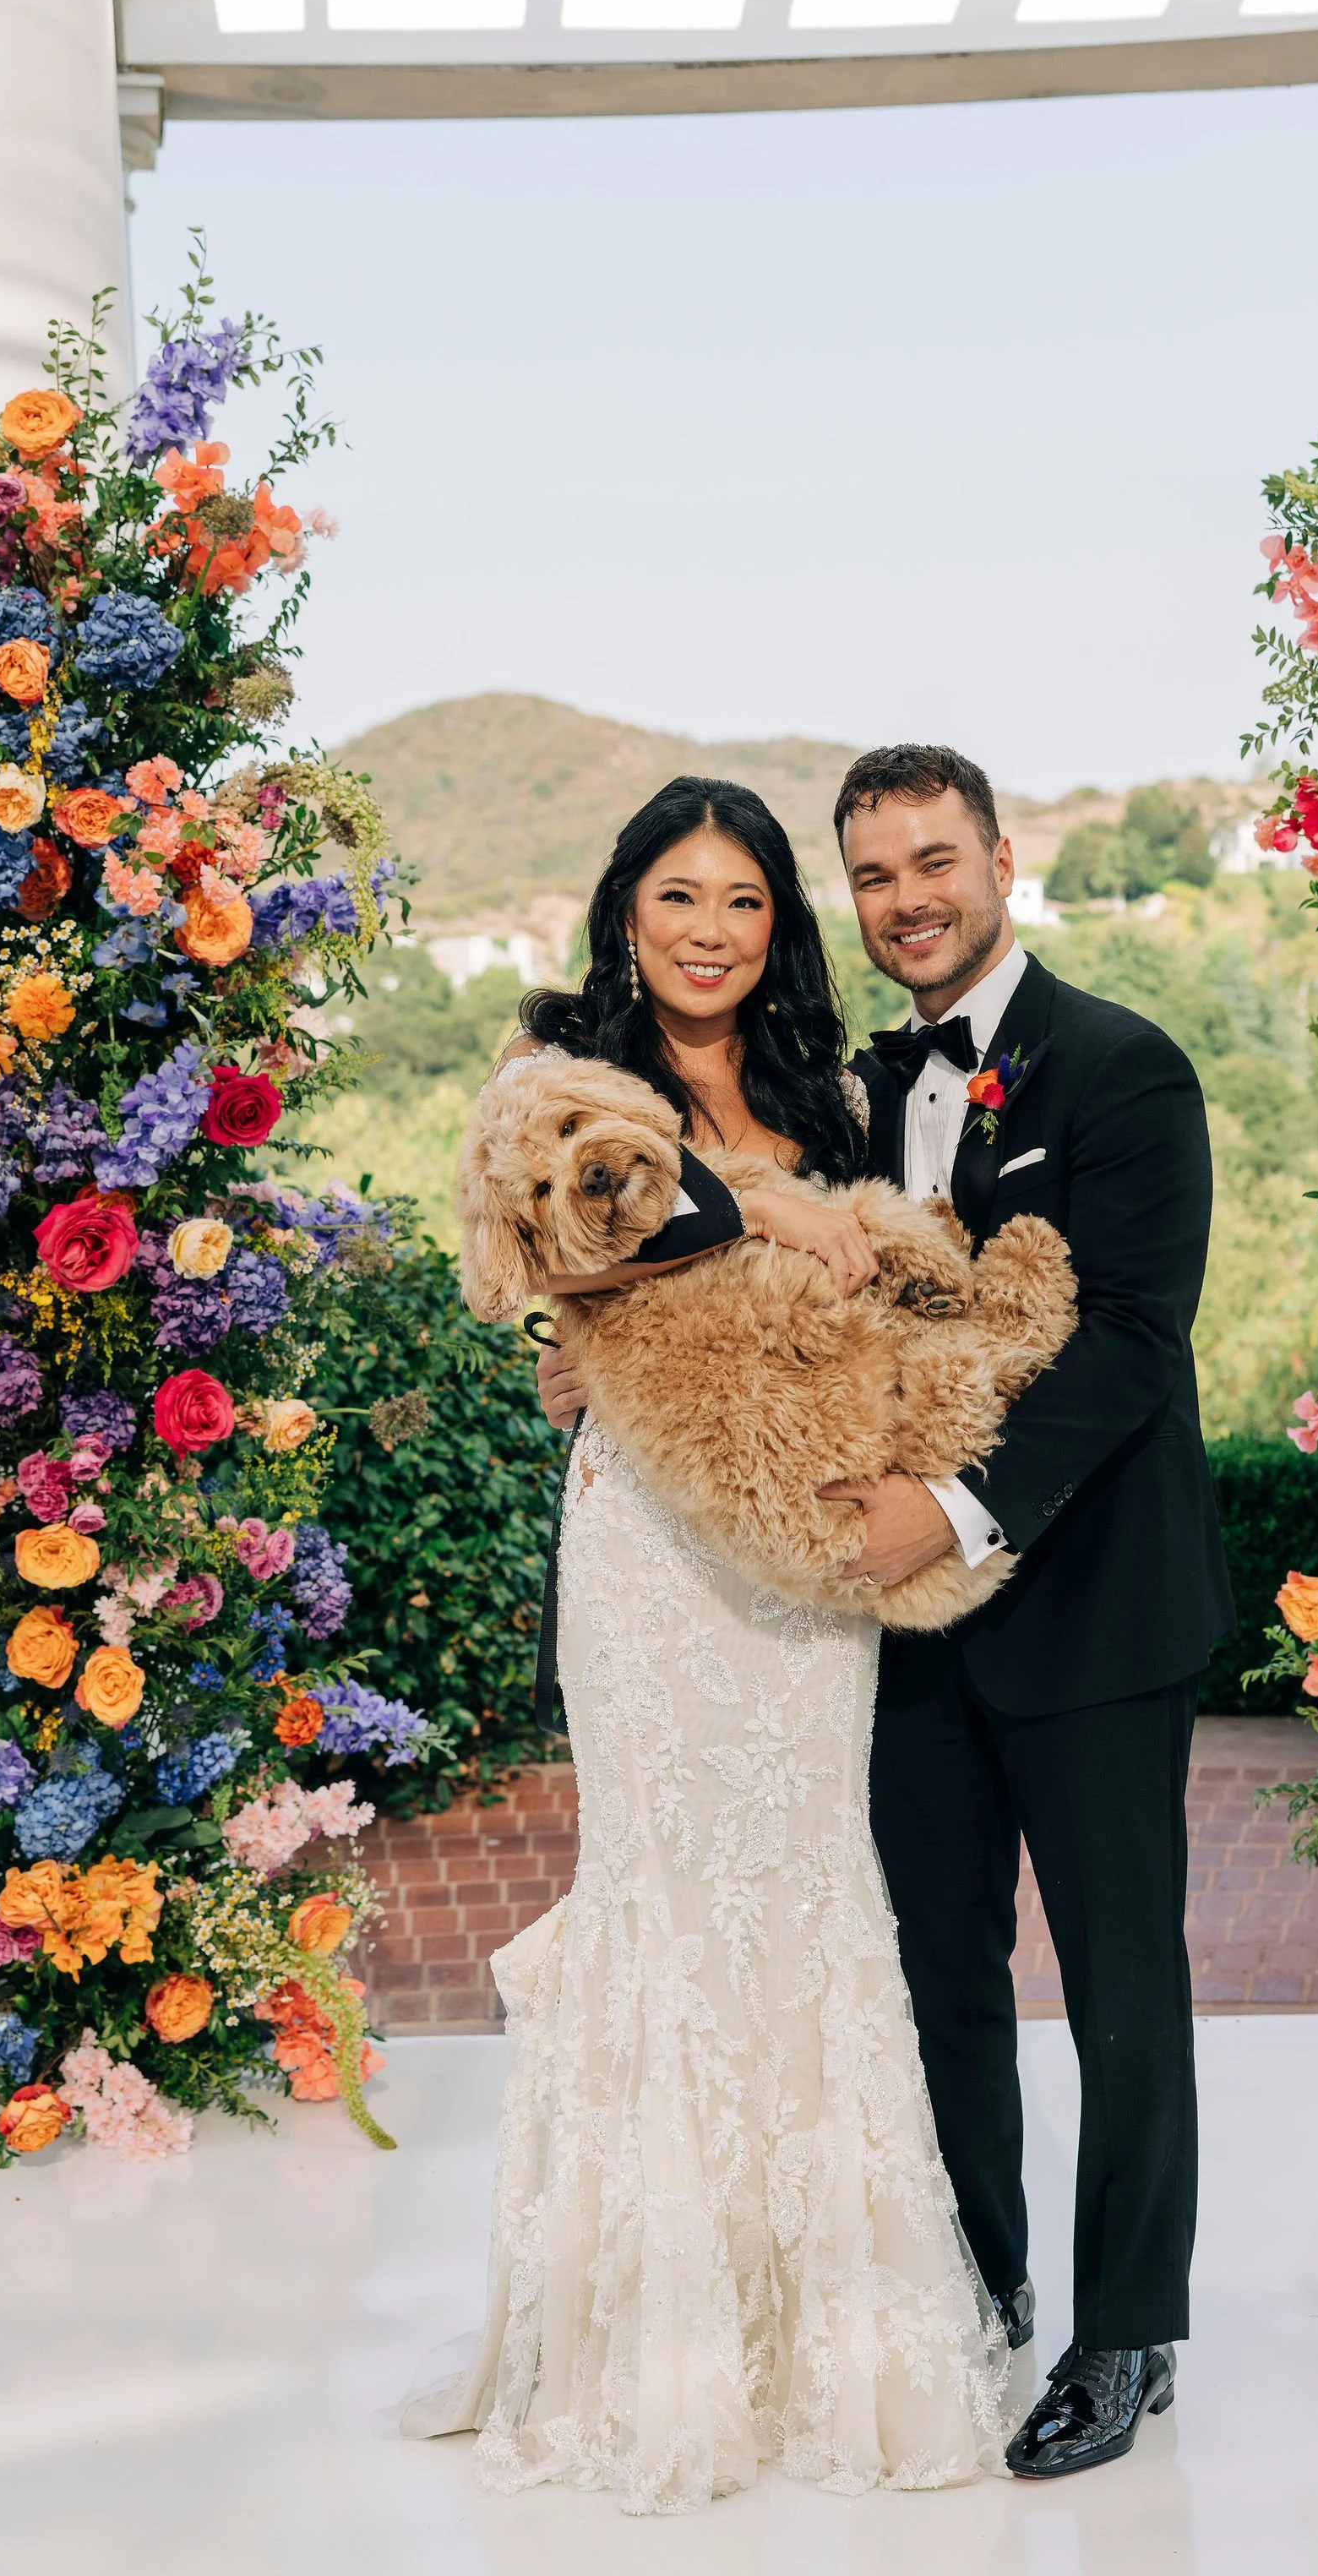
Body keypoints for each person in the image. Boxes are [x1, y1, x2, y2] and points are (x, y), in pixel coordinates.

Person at [541, 741, 1234, 2480]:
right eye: (875, 872)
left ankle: (1127, 2329)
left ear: (1000, 856)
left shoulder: (1125, 1069)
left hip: (1086, 1607)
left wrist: (951, 1501)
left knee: (1119, 1982)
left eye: (936, 860)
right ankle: (977, 2281)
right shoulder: (845, 1081)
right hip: (884, 1619)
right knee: (933, 1976)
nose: (909, 896)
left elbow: (1134, 1350)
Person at [401, 774, 1010, 2515]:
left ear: (776, 925)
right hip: (648, 1556)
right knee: (665, 1879)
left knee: (810, 1873)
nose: (710, 930)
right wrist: (768, 1218)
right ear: (625, 910)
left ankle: (837, 2329)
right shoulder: (557, 1070)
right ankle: (644, 2344)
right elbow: (579, 1226)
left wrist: (828, 1249)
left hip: (801, 1545)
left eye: (744, 900)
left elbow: (883, 1283)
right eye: (679, 895)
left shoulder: (829, 1087)